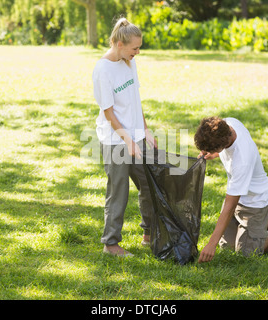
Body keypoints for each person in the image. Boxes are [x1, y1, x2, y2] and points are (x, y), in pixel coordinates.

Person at [92, 17, 157, 257]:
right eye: (134, 48)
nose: (137, 53)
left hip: (136, 135)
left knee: (149, 183)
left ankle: (149, 234)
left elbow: (134, 101)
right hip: (115, 140)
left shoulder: (129, 63)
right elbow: (109, 113)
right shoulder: (102, 69)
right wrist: (127, 140)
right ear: (120, 44)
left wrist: (145, 130)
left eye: (139, 48)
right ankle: (110, 244)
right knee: (118, 191)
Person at [194, 116, 268, 263]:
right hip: (239, 197)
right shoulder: (228, 124)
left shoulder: (242, 161)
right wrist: (215, 153)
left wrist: (211, 244)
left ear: (223, 144)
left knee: (247, 253)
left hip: (256, 203)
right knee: (227, 247)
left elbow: (229, 207)